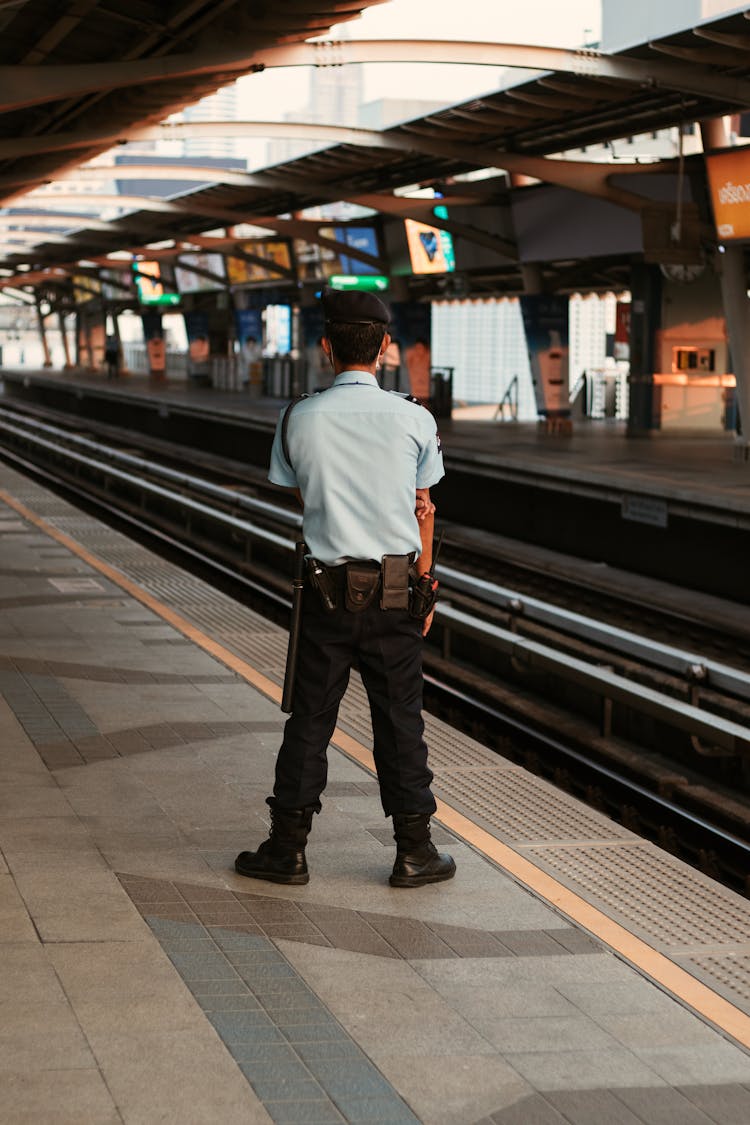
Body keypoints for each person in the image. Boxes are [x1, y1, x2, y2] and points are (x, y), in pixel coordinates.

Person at [234, 287, 455, 890]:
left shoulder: (298, 417)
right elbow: (423, 506)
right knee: (400, 722)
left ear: (326, 348)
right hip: (393, 594)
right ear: (385, 348)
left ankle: (288, 849)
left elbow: (302, 491)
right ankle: (415, 852)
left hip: (326, 596)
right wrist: (425, 584)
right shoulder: (415, 419)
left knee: (309, 720)